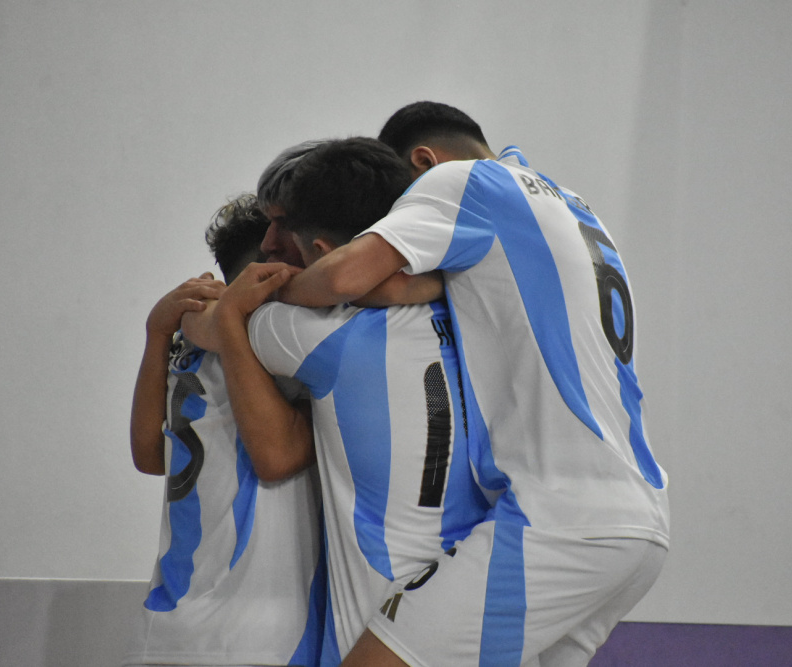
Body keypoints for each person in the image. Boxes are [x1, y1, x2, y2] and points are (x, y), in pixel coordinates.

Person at [274, 102, 671, 667]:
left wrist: (265, 292)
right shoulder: (571, 206)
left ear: (423, 161)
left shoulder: (462, 182)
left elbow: (344, 275)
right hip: (640, 514)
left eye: (398, 207)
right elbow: (402, 288)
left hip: (559, 515)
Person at [183, 138, 489, 667]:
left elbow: (208, 322)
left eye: (283, 229)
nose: (271, 244)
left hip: (380, 629)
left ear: (324, 255)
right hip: (480, 608)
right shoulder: (474, 311)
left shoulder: (317, 332)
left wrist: (176, 318)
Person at [124, 194, 326, 667]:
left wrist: (157, 335)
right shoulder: (278, 337)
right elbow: (277, 459)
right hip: (259, 624)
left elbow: (149, 456)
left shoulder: (185, 340)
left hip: (169, 618)